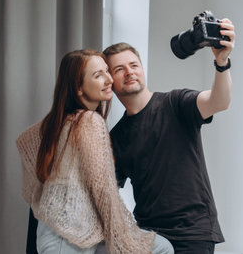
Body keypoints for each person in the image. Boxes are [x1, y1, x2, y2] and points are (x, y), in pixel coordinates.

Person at [16, 49, 174, 254]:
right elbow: (104, 192)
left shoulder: (55, 125)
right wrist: (123, 236)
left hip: (71, 235)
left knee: (161, 247)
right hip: (66, 239)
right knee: (161, 248)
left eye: (107, 71)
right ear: (78, 88)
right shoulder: (89, 121)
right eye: (98, 75)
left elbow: (25, 141)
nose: (109, 79)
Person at [103, 17, 235, 254]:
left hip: (193, 234)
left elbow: (219, 101)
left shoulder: (175, 103)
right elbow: (105, 190)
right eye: (119, 69)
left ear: (142, 70)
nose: (129, 72)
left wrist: (222, 62)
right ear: (111, 81)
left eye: (134, 65)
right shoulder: (116, 137)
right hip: (148, 239)